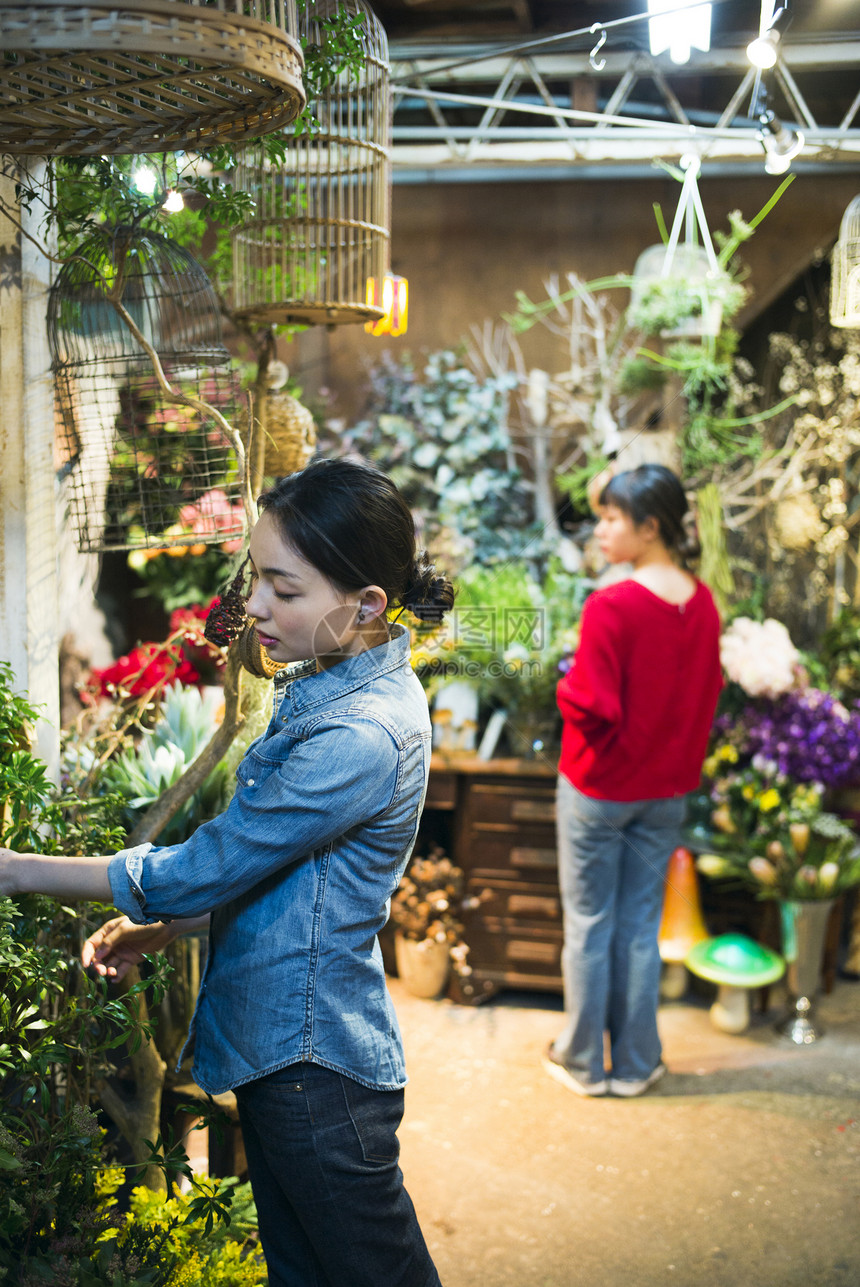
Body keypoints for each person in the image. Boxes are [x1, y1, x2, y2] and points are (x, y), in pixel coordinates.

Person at [0, 457, 454, 1287]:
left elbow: (210, 863)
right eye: (257, 579)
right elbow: (290, 884)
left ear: (366, 605)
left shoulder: (360, 734)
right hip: (290, 1060)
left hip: (315, 1071)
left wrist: (18, 872)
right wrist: (162, 927)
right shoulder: (339, 679)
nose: (253, 607)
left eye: (284, 588)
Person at [545, 463, 722, 1099]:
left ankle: (586, 1062)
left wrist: (564, 683)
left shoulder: (612, 604)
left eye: (612, 518)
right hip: (667, 789)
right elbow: (705, 697)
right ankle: (638, 1062)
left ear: (649, 527)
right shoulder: (702, 605)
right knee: (639, 927)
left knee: (590, 924)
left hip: (599, 788)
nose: (601, 529)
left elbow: (591, 705)